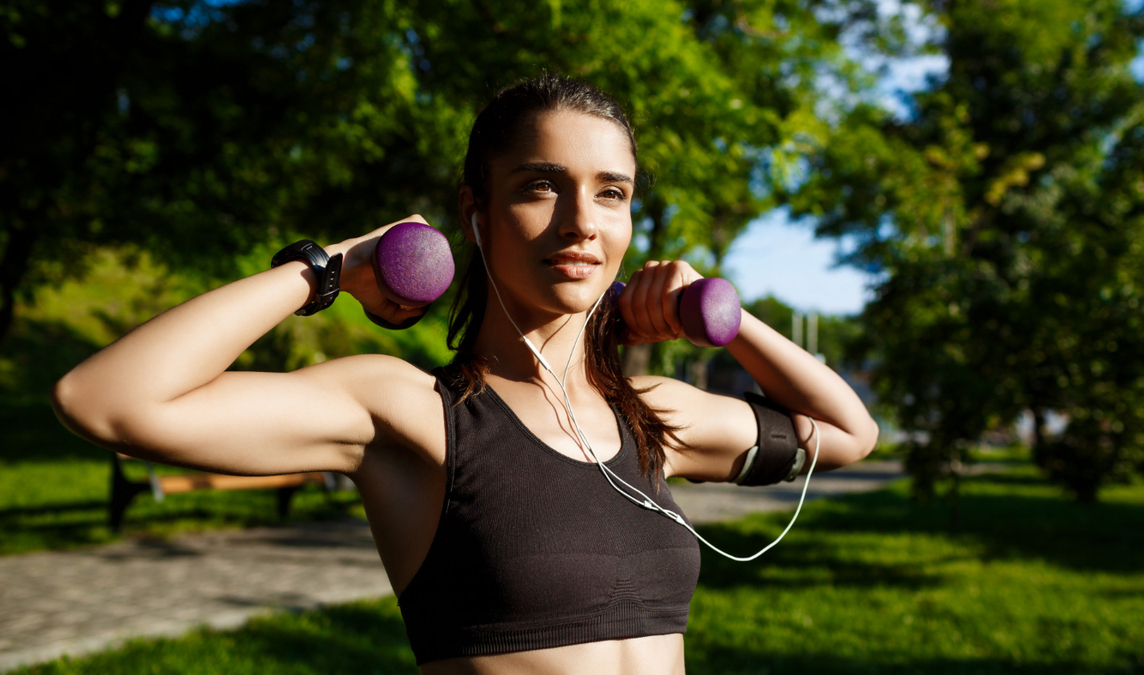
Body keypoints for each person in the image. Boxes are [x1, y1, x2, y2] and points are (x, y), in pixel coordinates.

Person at [52, 74, 878, 675]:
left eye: (612, 193)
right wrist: (333, 267)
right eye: (540, 188)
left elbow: (849, 432)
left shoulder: (652, 415)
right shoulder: (409, 411)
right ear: (474, 213)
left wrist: (717, 314)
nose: (582, 223)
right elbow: (101, 399)